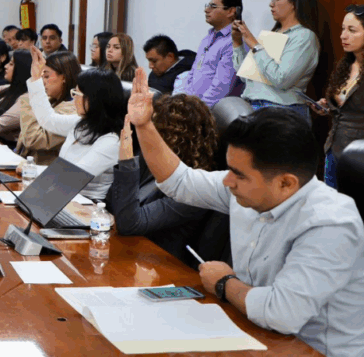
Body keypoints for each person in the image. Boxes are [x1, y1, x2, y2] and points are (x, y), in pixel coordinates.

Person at [128, 67, 364, 357]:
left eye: (239, 175)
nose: (227, 181)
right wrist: (144, 126)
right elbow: (180, 182)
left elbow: (281, 314)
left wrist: (225, 283)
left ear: (286, 183)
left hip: (310, 350)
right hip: (252, 332)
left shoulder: (330, 223)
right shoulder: (250, 189)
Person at [107, 94, 222, 267]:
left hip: (159, 268)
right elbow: (110, 202)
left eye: (153, 129)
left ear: (171, 136)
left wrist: (127, 162)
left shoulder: (195, 190)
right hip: (129, 253)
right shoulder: (151, 161)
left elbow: (129, 224)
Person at [25, 45, 125, 200]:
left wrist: (31, 169)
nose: (74, 99)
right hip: (61, 194)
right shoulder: (82, 123)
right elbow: (48, 119)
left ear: (95, 99)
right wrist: (36, 78)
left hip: (86, 204)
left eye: (77, 93)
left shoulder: (111, 140)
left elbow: (73, 177)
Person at [233, 0, 320, 121]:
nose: (271, 4)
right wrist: (237, 43)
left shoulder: (304, 36)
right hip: (254, 107)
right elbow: (246, 76)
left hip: (280, 111)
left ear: (294, 2)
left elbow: (281, 79)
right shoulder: (272, 34)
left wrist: (256, 46)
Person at [314, 4, 364, 189]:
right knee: (331, 202)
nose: (343, 35)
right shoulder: (346, 65)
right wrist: (327, 106)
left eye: (352, 30)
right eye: (343, 29)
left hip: (358, 156)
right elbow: (343, 106)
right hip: (333, 149)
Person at [173, 0, 242, 107]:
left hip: (213, 111)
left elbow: (221, 87)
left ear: (231, 11)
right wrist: (186, 103)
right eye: (208, 6)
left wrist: (199, 109)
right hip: (194, 107)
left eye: (213, 6)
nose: (206, 10)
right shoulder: (207, 39)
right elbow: (193, 74)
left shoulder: (235, 41)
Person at [15, 51, 80, 164]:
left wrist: (30, 97)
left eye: (46, 76)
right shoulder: (52, 100)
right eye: (41, 77)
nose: (42, 82)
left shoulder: (73, 109)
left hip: (44, 170)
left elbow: (33, 139)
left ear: (64, 77)